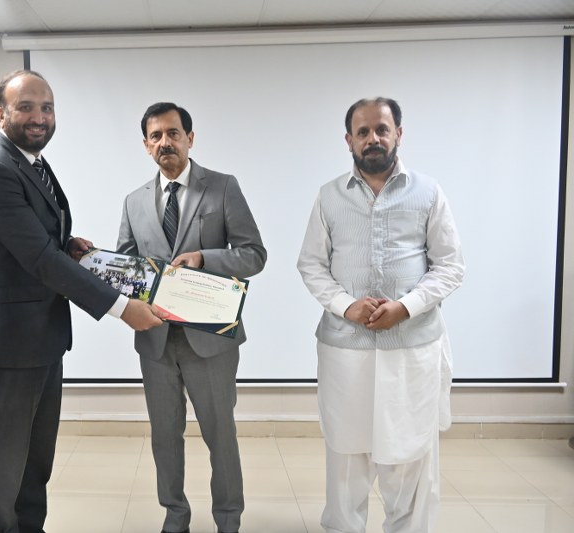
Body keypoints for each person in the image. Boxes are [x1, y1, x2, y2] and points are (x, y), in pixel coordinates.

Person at [0, 70, 162, 533]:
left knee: (34, 466)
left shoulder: (31, 162)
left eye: (47, 108)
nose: (39, 117)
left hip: (41, 339)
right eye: (26, 107)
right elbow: (37, 258)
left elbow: (32, 240)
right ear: (1, 114)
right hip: (4, 347)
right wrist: (121, 307)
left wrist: (67, 244)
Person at [297, 97, 465, 533]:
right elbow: (311, 264)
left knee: (409, 459)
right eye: (363, 131)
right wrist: (345, 305)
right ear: (349, 140)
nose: (373, 138)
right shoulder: (329, 196)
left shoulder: (428, 192)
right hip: (345, 349)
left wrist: (405, 307)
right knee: (346, 455)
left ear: (398, 135)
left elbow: (451, 266)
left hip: (411, 348)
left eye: (382, 129)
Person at [116, 102, 267, 533]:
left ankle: (228, 520)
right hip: (156, 340)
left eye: (173, 133)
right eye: (156, 136)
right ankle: (175, 516)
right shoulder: (133, 201)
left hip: (210, 341)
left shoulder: (222, 187)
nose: (165, 142)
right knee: (165, 437)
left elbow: (254, 255)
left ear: (190, 138)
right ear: (146, 145)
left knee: (220, 435)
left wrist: (204, 258)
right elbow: (126, 267)